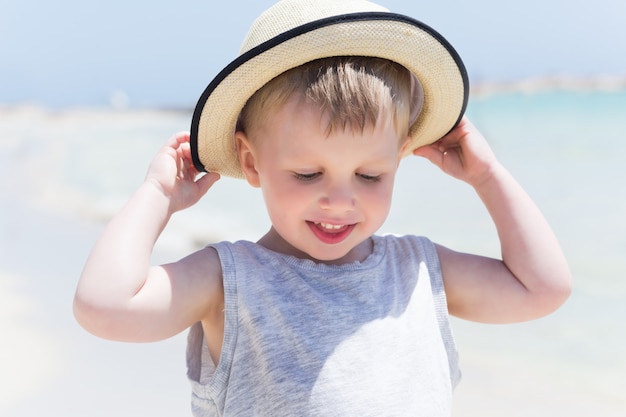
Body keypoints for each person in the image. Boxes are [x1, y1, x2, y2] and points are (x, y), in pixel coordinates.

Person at [73, 0, 572, 415]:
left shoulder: (418, 272)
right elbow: (104, 307)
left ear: (400, 159)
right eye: (308, 174)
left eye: (370, 175)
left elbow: (543, 288)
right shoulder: (231, 282)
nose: (340, 199)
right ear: (250, 161)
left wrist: (488, 177)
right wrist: (158, 197)